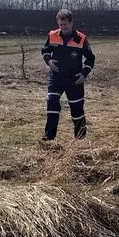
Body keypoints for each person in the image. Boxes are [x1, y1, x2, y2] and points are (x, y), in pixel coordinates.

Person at [41, 8, 95, 140]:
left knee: (77, 109)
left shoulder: (81, 39)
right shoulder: (53, 35)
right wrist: (49, 62)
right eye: (60, 24)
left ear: (71, 23)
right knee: (52, 102)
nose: (63, 27)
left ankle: (80, 138)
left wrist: (84, 74)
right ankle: (49, 137)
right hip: (56, 77)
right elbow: (45, 51)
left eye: (65, 24)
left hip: (74, 79)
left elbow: (90, 58)